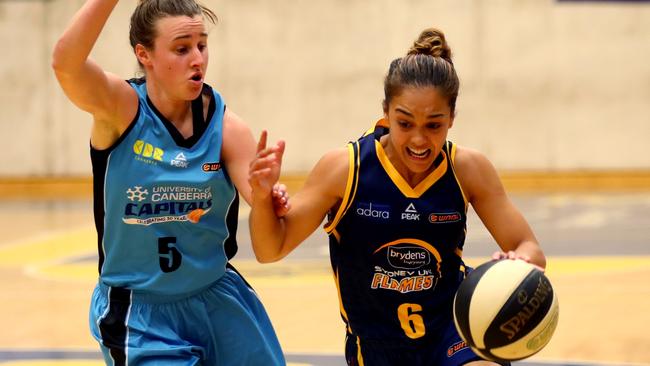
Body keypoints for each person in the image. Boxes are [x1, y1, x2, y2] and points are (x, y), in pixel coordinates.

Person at [249, 27, 546, 366]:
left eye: (433, 125)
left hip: (453, 331)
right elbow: (270, 249)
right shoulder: (345, 169)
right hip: (376, 346)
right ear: (386, 111)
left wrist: (516, 265)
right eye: (405, 123)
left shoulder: (468, 168)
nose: (419, 140)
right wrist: (260, 199)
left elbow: (531, 249)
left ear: (452, 118)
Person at [51, 1, 288, 365]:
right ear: (144, 54)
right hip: (140, 311)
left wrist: (266, 193)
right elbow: (66, 63)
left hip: (217, 297)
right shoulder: (120, 108)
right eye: (181, 48)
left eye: (202, 45)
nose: (197, 59)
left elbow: (267, 222)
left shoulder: (226, 127)